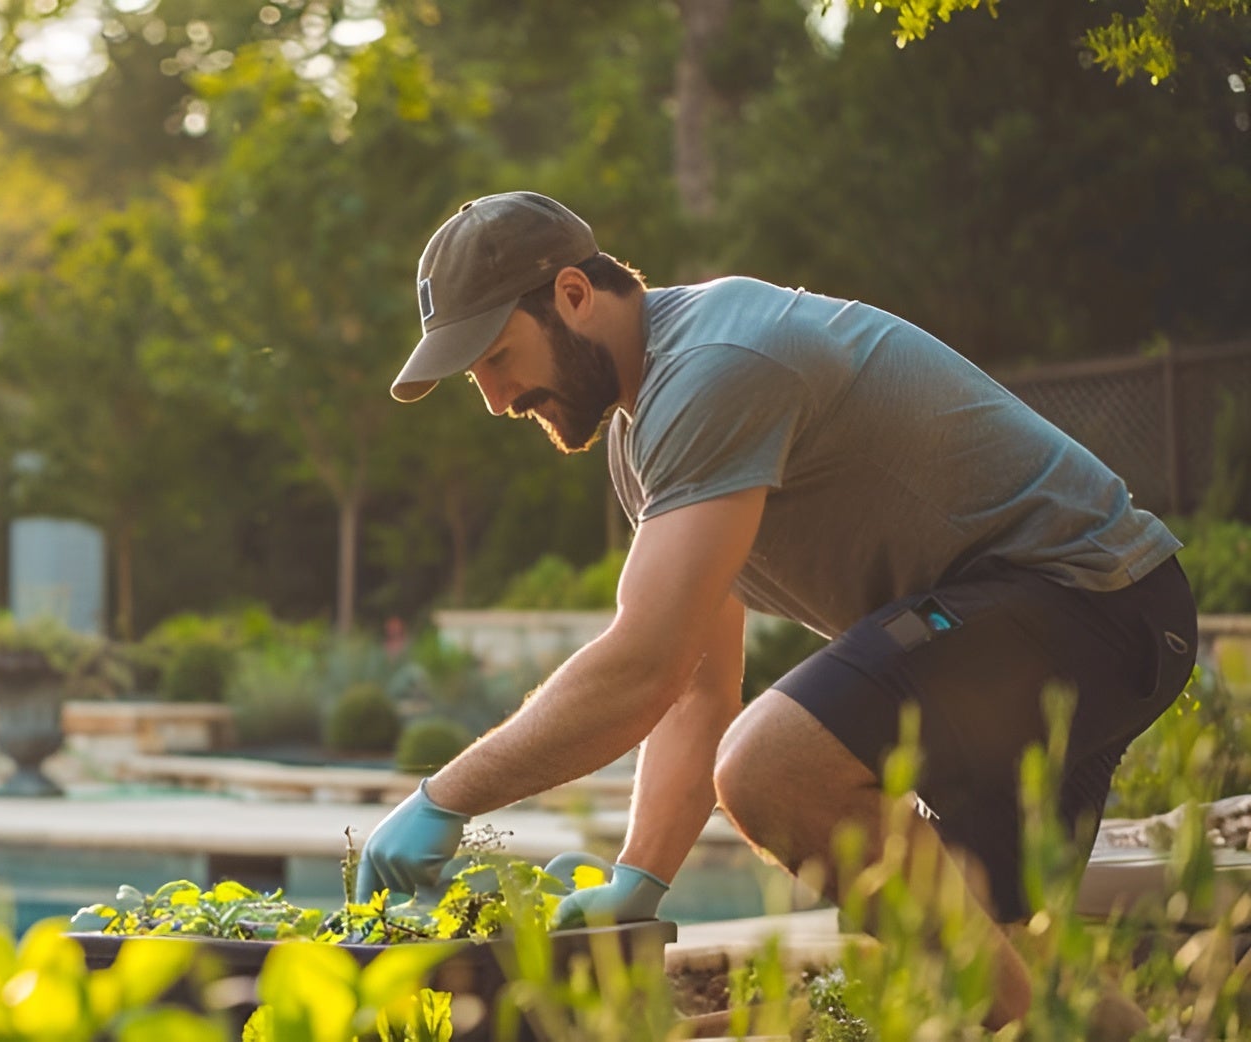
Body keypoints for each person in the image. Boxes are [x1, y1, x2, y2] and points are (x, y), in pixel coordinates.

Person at [356, 191, 1196, 1031]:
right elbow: (692, 684)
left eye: (499, 357)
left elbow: (641, 668)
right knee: (1012, 965)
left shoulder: (717, 368)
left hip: (1090, 601)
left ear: (573, 295)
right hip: (1047, 627)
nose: (497, 399)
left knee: (771, 767)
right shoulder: (641, 434)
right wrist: (638, 880)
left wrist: (445, 798)